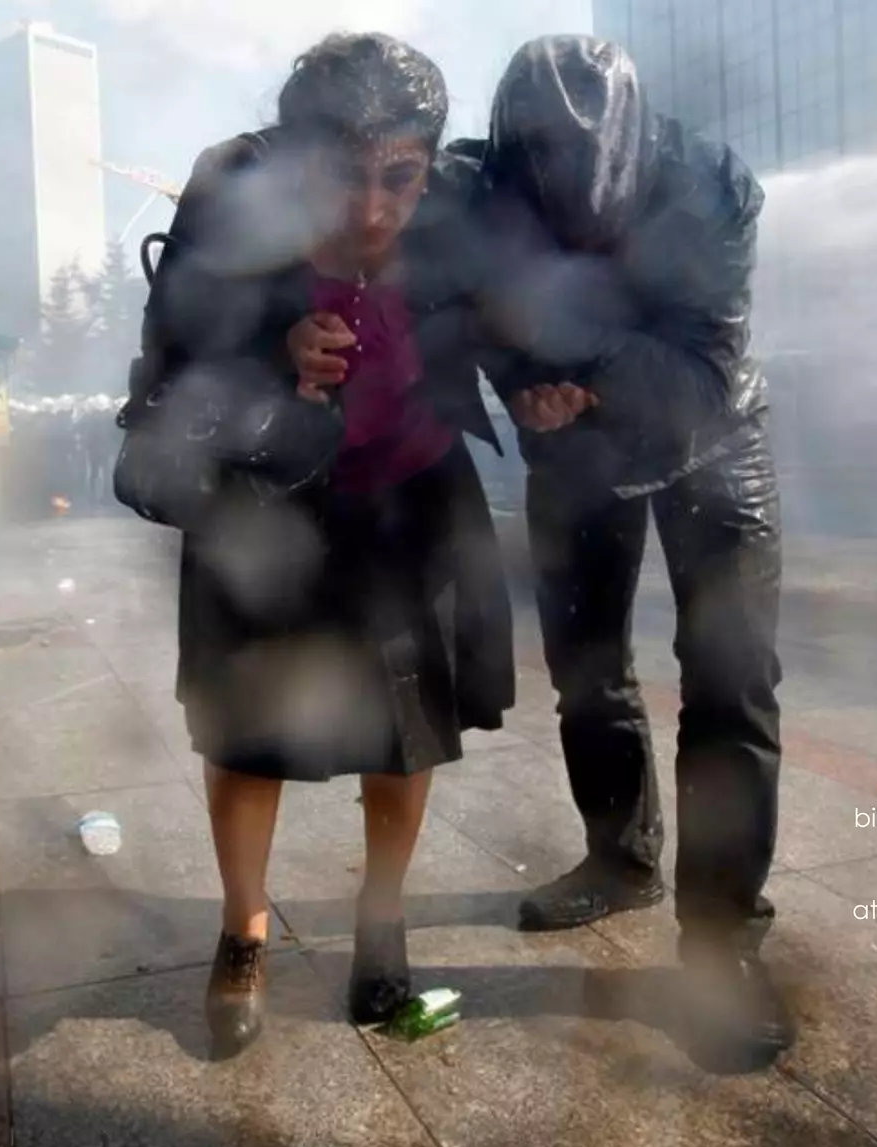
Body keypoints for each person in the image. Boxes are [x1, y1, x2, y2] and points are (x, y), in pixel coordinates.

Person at [131, 32, 512, 1057]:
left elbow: (517, 310)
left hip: (408, 499)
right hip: (265, 507)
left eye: (400, 177)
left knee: (406, 730)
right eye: (342, 178)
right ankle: (243, 927)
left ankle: (379, 926)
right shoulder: (232, 190)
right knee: (247, 732)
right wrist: (270, 349)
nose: (374, 210)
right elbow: (173, 336)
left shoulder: (459, 204)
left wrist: (560, 388)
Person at [488, 35, 792, 1069]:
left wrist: (576, 350)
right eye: (539, 174)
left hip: (713, 440)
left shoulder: (708, 188)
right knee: (585, 673)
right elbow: (469, 309)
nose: (563, 201)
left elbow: (702, 379)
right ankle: (618, 861)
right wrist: (522, 378)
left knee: (730, 683)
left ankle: (720, 942)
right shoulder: (483, 188)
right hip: (573, 447)